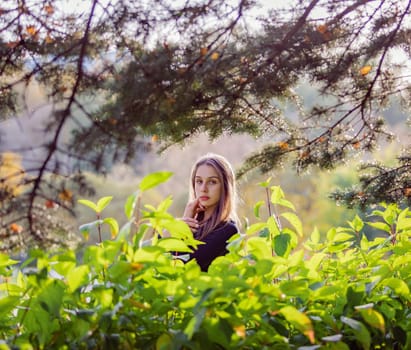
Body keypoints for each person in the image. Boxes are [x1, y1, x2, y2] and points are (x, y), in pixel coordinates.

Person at [180, 153, 239, 272]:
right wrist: (180, 225)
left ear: (225, 186)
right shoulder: (192, 224)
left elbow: (184, 266)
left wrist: (176, 232)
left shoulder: (227, 230)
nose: (203, 189)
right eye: (199, 181)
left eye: (212, 182)